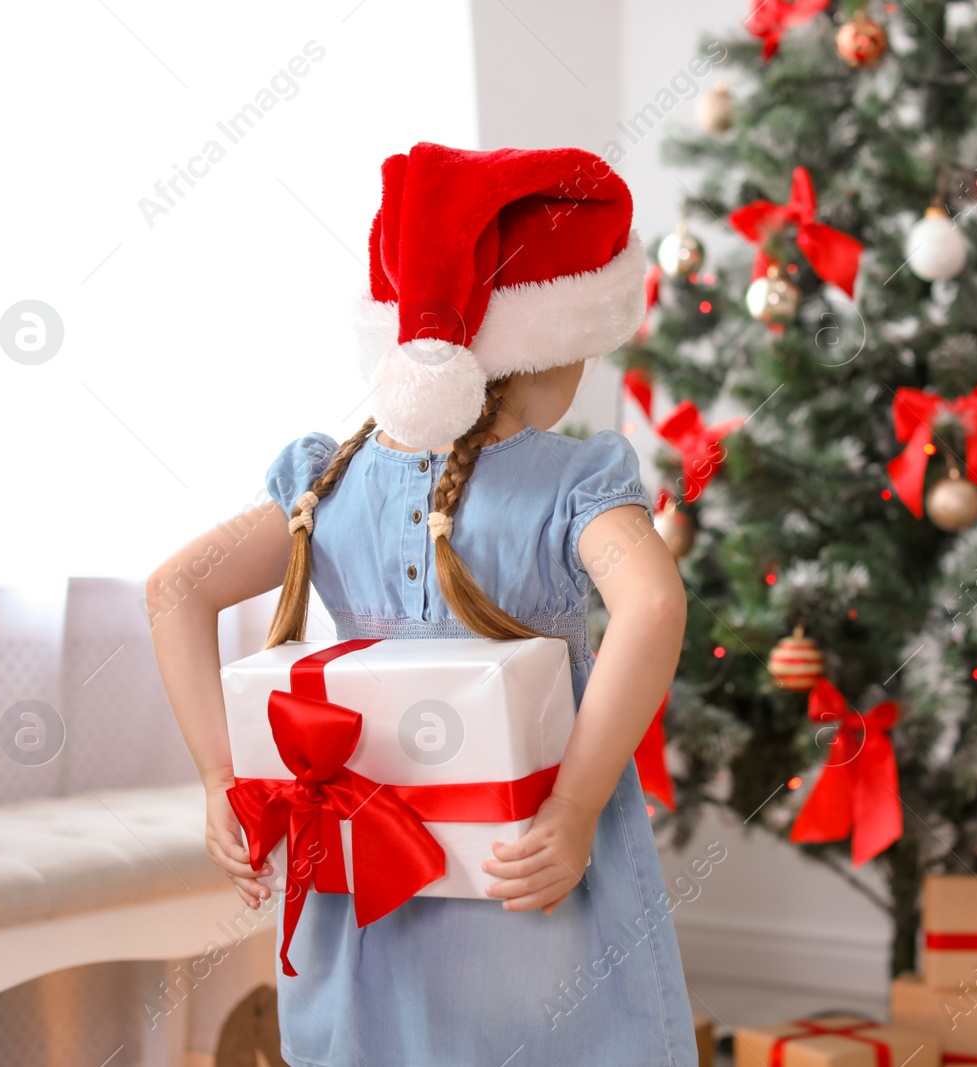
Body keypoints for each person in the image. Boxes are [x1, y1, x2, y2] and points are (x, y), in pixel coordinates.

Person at [148, 142, 699, 1066]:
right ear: (545, 345)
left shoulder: (325, 480)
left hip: (363, 886)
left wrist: (219, 781)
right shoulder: (575, 480)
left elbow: (173, 589)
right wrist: (572, 807)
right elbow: (651, 605)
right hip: (523, 869)